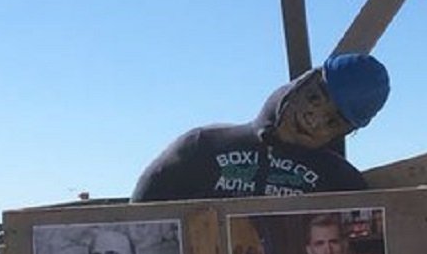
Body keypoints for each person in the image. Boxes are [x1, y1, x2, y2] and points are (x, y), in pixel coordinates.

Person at [132, 55, 390, 200]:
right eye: (315, 97)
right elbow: (135, 225)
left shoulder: (341, 183)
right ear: (304, 81)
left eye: (333, 121)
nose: (315, 118)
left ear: (344, 132)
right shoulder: (201, 147)